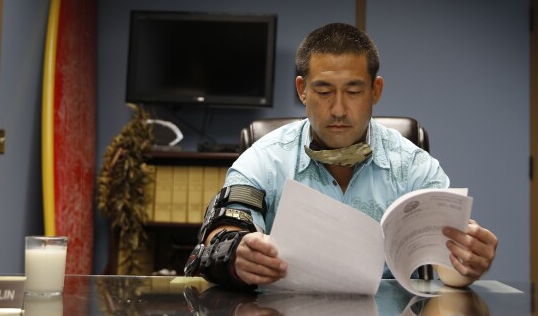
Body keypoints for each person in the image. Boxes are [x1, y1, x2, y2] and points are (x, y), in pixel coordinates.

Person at [185, 22, 498, 289]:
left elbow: (447, 266)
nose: (337, 109)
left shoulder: (415, 166)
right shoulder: (264, 159)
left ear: (375, 91)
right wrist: (235, 253)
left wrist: (467, 263)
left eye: (353, 91)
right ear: (302, 90)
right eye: (323, 92)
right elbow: (221, 231)